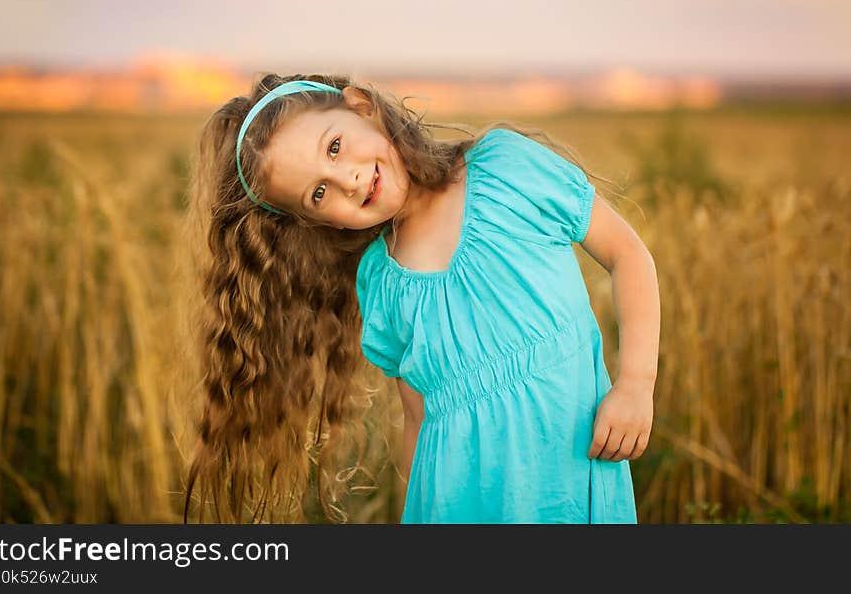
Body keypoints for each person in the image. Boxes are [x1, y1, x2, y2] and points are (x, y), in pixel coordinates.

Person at [182, 73, 660, 524]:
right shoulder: (383, 282)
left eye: (335, 146)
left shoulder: (507, 169)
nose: (347, 180)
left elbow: (628, 255)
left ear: (362, 108)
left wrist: (636, 384)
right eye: (318, 192)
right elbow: (418, 421)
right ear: (319, 223)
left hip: (568, 479)